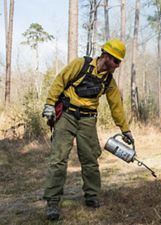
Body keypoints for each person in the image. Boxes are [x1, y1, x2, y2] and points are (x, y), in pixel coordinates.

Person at [42, 39, 134, 221]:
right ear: (106, 56)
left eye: (119, 62)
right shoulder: (81, 64)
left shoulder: (108, 81)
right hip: (67, 116)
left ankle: (92, 196)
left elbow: (116, 105)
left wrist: (125, 130)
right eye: (116, 61)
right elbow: (60, 80)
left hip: (88, 120)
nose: (117, 65)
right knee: (58, 159)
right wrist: (50, 104)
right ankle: (52, 202)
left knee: (90, 159)